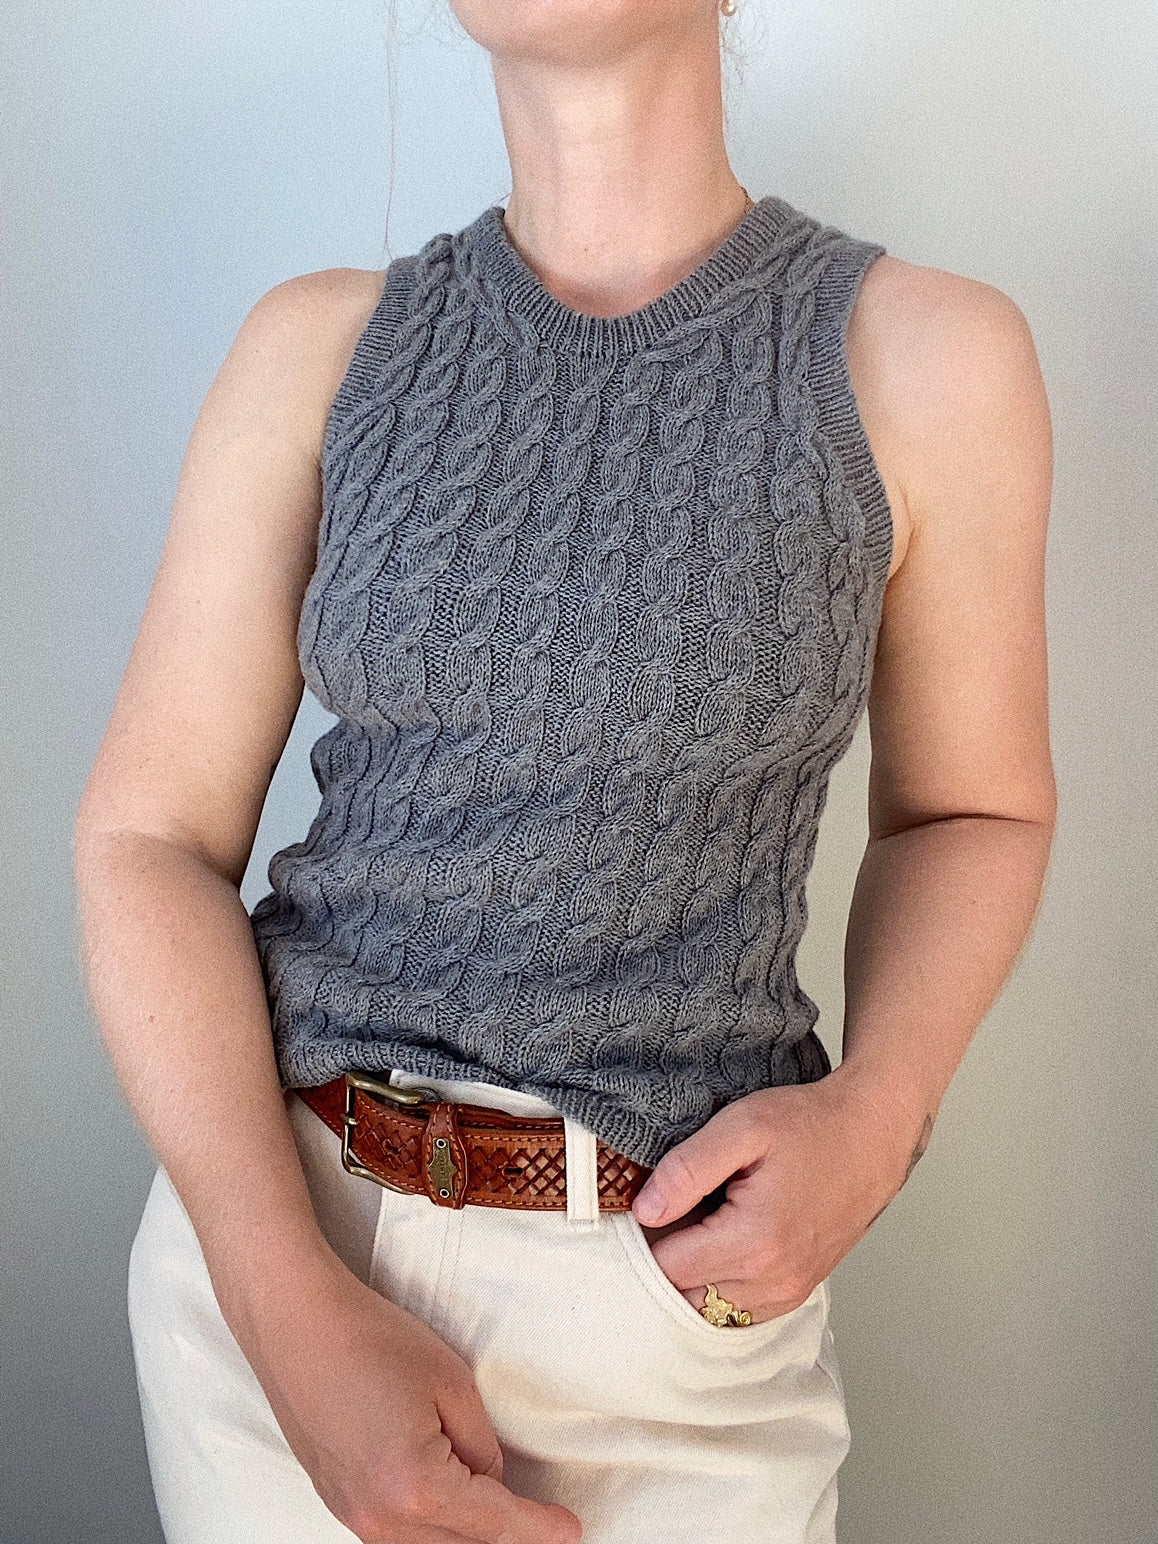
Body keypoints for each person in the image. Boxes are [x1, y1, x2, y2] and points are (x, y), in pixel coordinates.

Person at [73, 1, 1057, 1541]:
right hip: (279, 1263)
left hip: (665, 1306)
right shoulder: (317, 348)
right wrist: (278, 1301)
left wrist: (880, 1113)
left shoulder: (924, 357)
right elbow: (146, 838)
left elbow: (971, 809)